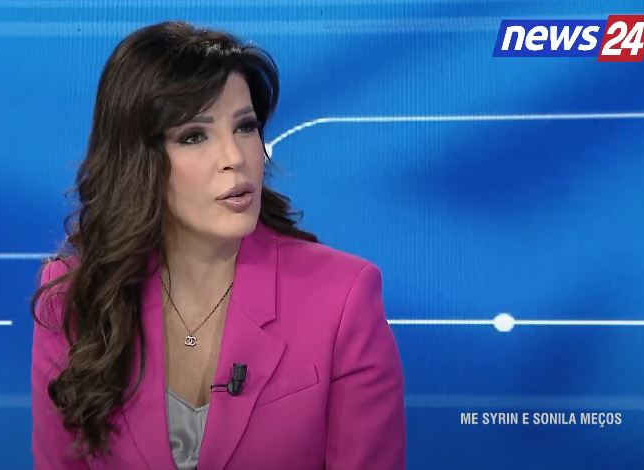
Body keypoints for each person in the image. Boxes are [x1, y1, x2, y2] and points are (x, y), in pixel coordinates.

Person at [30, 20, 406, 470]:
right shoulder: (76, 296)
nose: (235, 157)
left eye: (245, 127)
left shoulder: (343, 297)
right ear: (137, 159)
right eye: (194, 136)